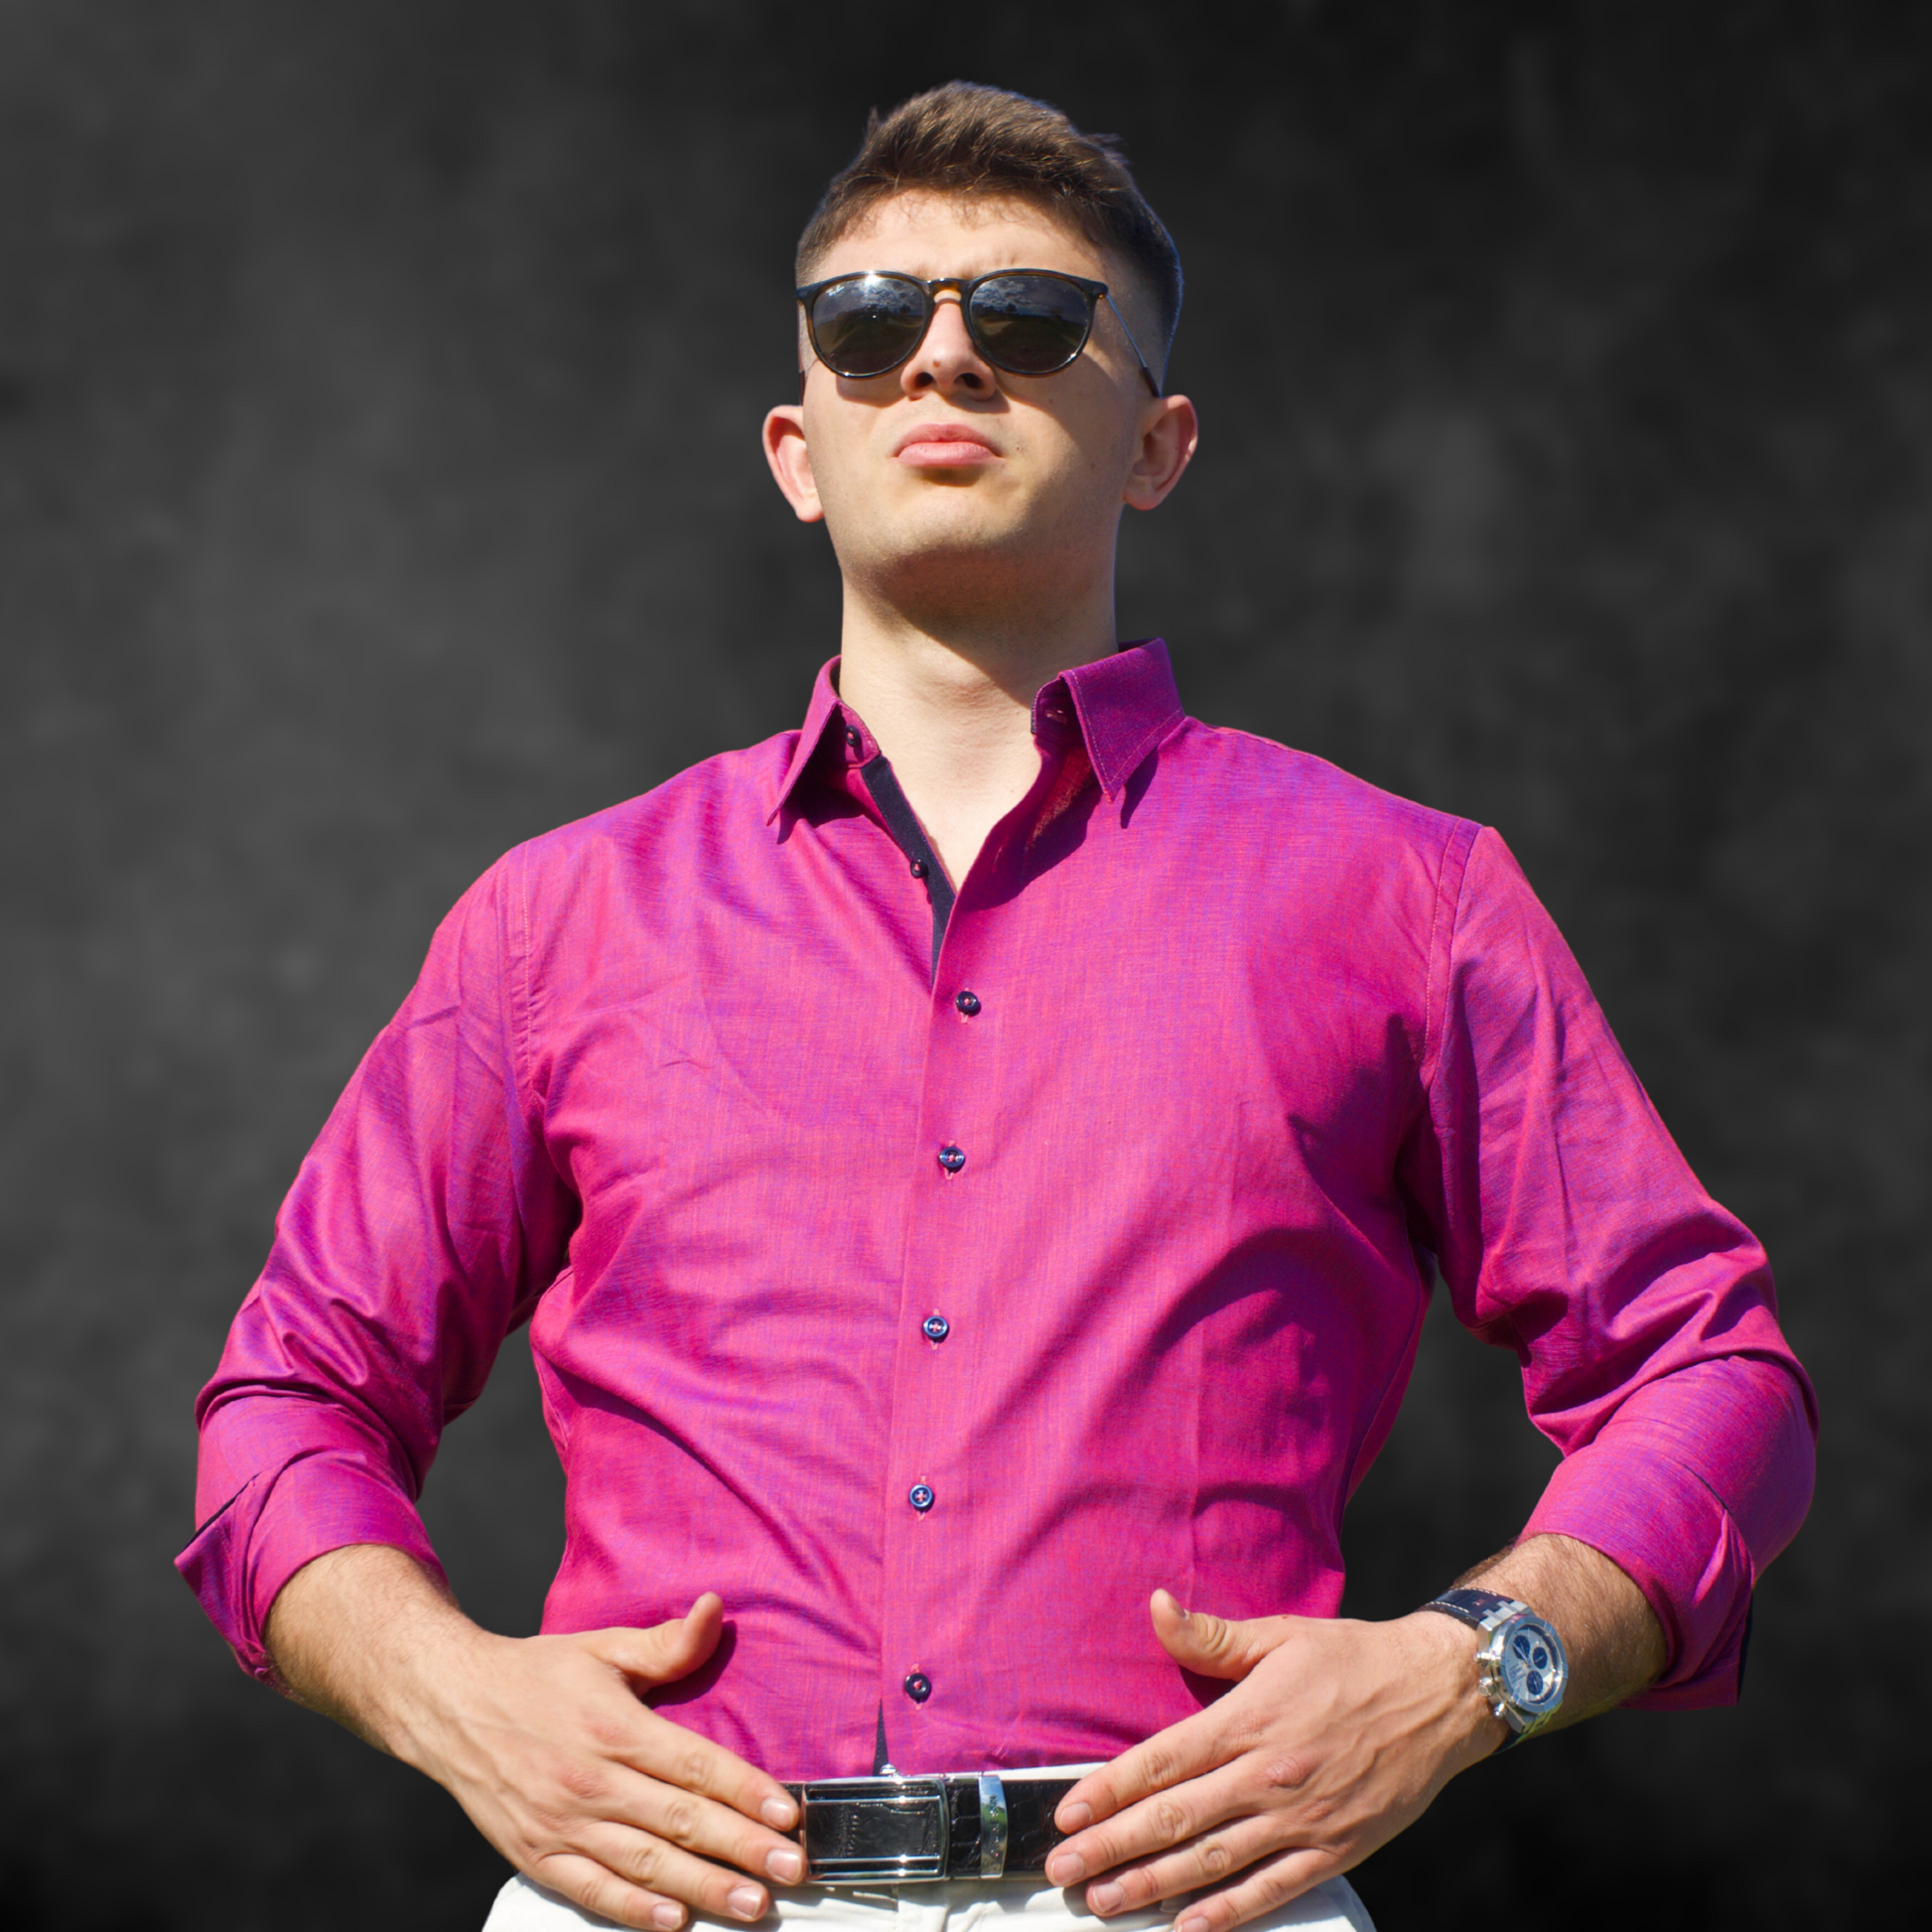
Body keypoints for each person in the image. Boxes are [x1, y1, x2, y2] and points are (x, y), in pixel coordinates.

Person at [180, 82, 1816, 1932]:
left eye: (1030, 321)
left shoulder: (1403, 896)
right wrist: (451, 1697)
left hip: (1193, 1896)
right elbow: (288, 1399)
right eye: (869, 321)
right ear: (797, 447)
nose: (943, 356)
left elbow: (1708, 1374)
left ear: (1159, 445)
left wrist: (1465, 1669)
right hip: (665, 1895)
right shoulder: (556, 921)